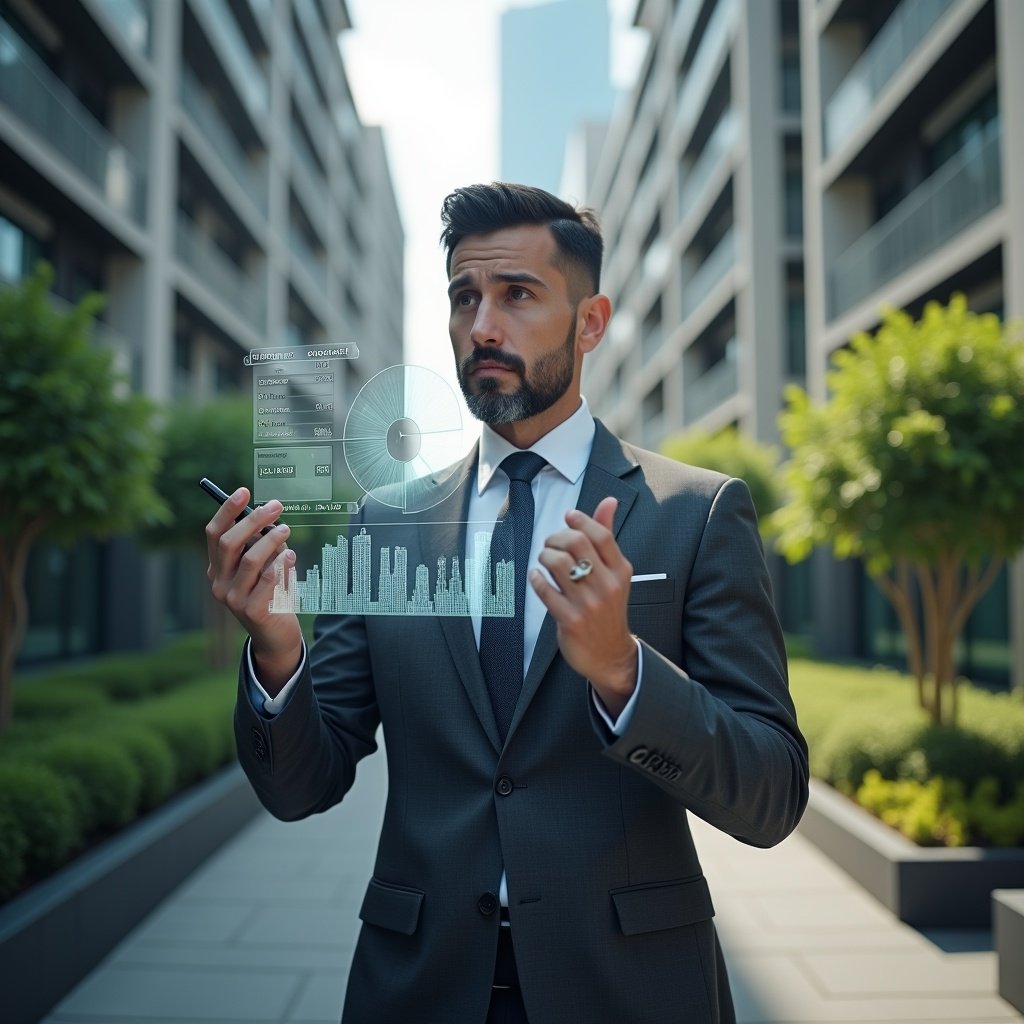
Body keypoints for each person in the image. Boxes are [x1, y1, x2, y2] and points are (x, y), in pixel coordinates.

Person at [206, 182, 808, 1024]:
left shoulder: (695, 514)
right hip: (419, 986)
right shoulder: (385, 523)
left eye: (517, 295)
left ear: (589, 323)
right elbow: (301, 785)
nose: (482, 326)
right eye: (464, 297)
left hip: (630, 988)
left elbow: (772, 794)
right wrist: (276, 652)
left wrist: (624, 674)